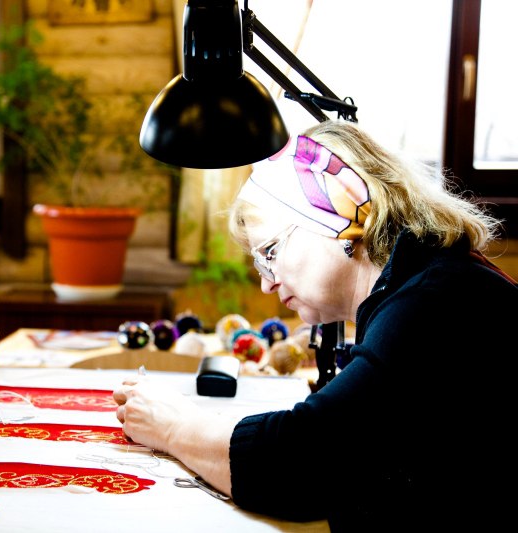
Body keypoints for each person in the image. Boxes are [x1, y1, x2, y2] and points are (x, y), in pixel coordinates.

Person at [114, 120, 517, 531]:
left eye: (270, 252)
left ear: (339, 212)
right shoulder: (431, 281)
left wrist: (174, 426)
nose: (266, 283)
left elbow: (301, 464)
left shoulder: (431, 303)